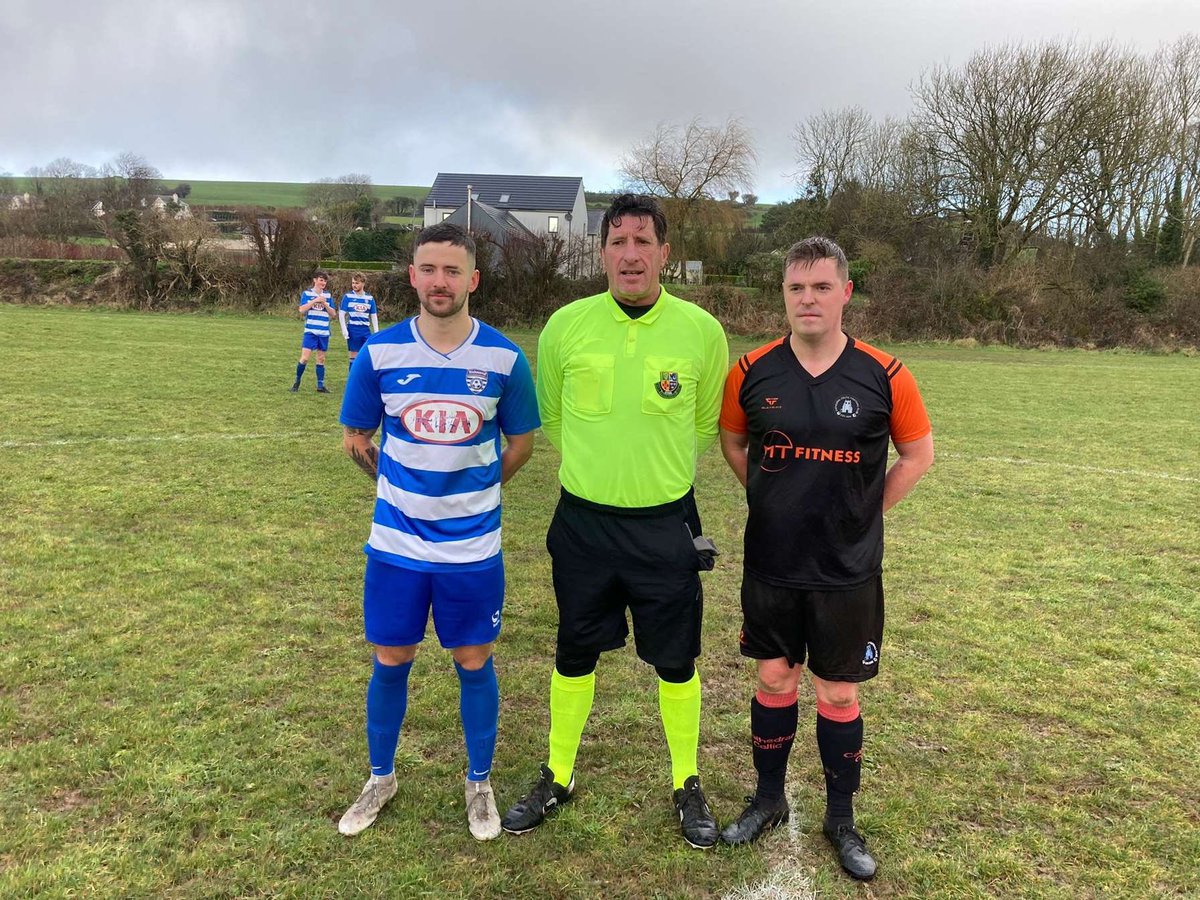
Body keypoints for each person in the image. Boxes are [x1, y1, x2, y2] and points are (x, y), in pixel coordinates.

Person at [501, 194, 729, 849]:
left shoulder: (701, 332)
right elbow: (553, 415)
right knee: (574, 651)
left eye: (643, 241)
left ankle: (686, 782)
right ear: (600, 251)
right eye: (618, 241)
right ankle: (557, 775)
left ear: (664, 252)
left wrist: (650, 476)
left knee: (676, 661)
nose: (631, 254)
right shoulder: (565, 327)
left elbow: (705, 424)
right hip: (584, 527)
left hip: (665, 528)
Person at [716, 236, 934, 881]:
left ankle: (842, 818)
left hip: (847, 572)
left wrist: (863, 514)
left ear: (845, 292)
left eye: (819, 287)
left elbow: (917, 456)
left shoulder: (886, 374)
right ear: (782, 295)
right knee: (775, 682)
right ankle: (767, 800)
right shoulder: (750, 369)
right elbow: (734, 444)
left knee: (838, 693)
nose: (806, 299)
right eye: (794, 288)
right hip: (773, 565)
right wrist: (775, 500)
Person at [337, 223, 539, 841]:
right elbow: (356, 438)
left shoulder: (504, 358)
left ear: (473, 280)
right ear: (413, 276)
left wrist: (470, 490)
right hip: (396, 548)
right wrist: (399, 489)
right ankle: (380, 777)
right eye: (429, 269)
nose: (440, 281)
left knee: (473, 659)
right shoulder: (379, 354)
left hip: (472, 549)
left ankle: (479, 783)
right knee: (390, 658)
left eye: (453, 271)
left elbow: (521, 444)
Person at [290, 270, 336, 393]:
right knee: (304, 358)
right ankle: (297, 382)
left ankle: (320, 386)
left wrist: (325, 304)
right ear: (315, 280)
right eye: (321, 280)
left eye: (325, 281)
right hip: (310, 331)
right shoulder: (307, 293)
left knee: (321, 359)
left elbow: (333, 314)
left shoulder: (328, 296)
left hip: (323, 332)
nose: (323, 283)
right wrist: (315, 301)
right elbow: (301, 310)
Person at [338, 272, 380, 372]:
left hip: (365, 330)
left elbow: (373, 316)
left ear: (363, 283)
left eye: (356, 283)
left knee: (367, 355)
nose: (354, 285)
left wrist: (376, 332)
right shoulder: (348, 297)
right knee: (354, 356)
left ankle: (364, 379)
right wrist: (344, 330)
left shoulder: (369, 298)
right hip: (353, 329)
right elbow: (341, 314)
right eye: (353, 283)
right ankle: (352, 381)